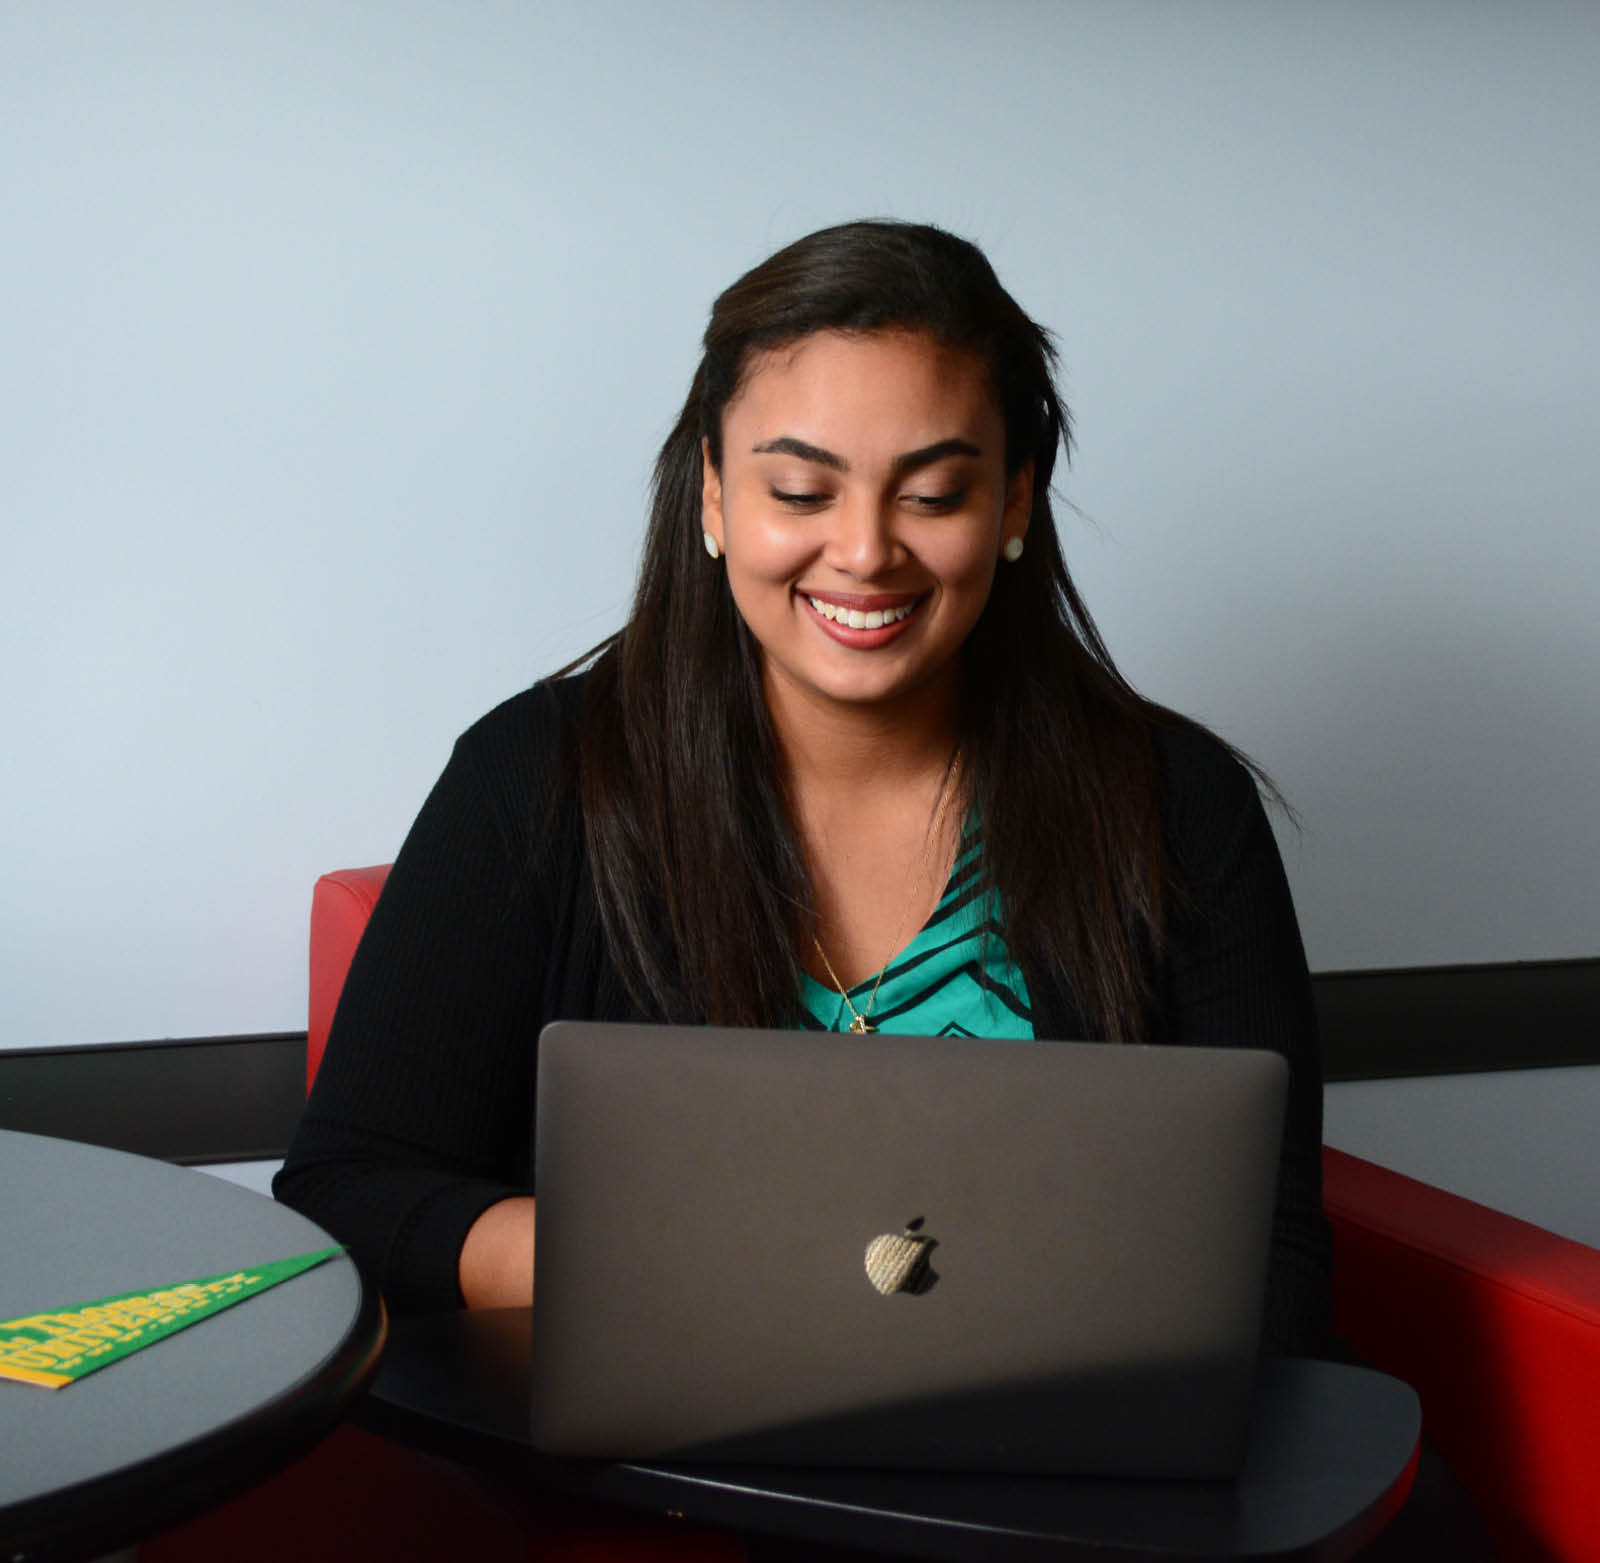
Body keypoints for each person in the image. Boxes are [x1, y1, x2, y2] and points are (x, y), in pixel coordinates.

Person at [275, 218, 1332, 1356]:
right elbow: (348, 1194)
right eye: (799, 491)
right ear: (716, 498)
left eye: (930, 496)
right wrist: (654, 1262)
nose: (865, 552)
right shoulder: (535, 779)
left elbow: (1268, 1262)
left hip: (1061, 1485)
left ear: (1013, 506)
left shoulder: (1175, 805)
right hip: (675, 1474)